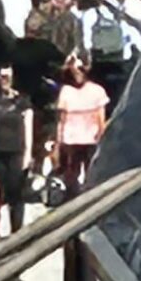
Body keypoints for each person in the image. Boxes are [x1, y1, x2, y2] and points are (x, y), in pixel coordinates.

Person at [0, 67, 32, 234]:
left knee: (16, 195)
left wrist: (27, 154)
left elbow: (28, 128)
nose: (4, 80)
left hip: (16, 152)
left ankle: (17, 233)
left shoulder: (23, 101)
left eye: (7, 77)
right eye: (2, 77)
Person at [53, 58, 108, 192]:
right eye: (74, 70)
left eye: (80, 69)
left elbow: (101, 118)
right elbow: (61, 120)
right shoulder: (66, 91)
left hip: (91, 139)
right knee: (71, 173)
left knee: (92, 172)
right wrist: (58, 144)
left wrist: (102, 138)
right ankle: (73, 198)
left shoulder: (97, 91)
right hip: (71, 140)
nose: (77, 73)